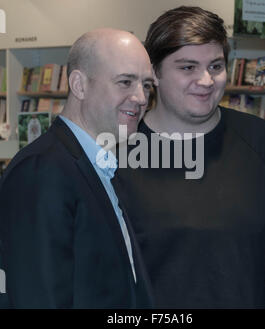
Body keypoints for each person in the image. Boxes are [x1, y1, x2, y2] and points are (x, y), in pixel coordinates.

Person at [113, 6, 265, 308]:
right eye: (187, 68)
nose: (206, 80)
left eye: (215, 66)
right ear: (154, 74)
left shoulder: (262, 142)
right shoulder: (116, 152)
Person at [0, 28, 155, 308]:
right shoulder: (41, 170)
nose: (142, 98)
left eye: (146, 85)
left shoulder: (100, 166)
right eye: (125, 82)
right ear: (79, 85)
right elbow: (39, 297)